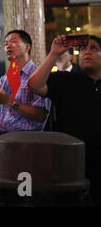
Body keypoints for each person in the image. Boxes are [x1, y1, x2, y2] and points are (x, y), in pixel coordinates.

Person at [27, 35, 101, 206]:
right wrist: (53, 54)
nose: (87, 52)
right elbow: (34, 85)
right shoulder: (65, 79)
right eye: (83, 49)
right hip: (70, 162)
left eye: (94, 48)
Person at [0, 30, 48, 134]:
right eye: (6, 43)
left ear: (27, 47)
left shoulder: (36, 75)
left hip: (26, 137)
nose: (8, 45)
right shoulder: (10, 75)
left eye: (13, 41)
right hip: (4, 135)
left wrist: (9, 101)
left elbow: (40, 115)